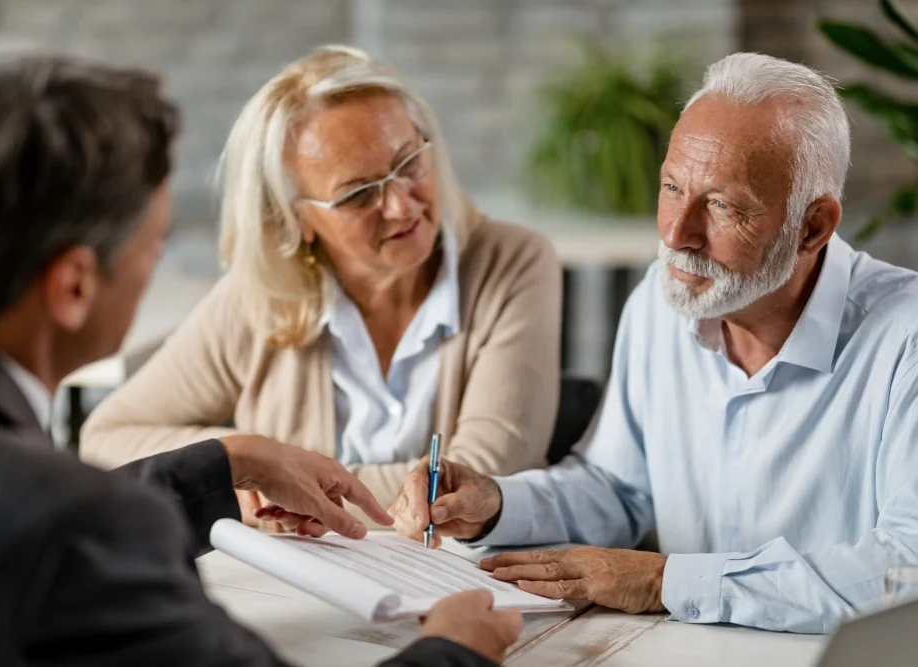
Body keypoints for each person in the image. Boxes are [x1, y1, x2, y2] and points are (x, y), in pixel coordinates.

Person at [0, 48, 523, 666]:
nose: (158, 266)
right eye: (155, 245)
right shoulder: (86, 528)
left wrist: (232, 459)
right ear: (73, 286)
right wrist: (455, 652)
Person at [391, 52, 918, 635]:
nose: (674, 234)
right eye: (672, 186)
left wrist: (664, 581)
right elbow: (617, 489)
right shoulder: (660, 300)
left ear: (813, 226)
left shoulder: (906, 339)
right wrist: (497, 503)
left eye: (721, 205)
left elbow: (906, 573)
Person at [78, 44, 562, 525]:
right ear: (295, 219)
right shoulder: (260, 296)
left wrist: (290, 484)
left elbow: (482, 482)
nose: (401, 205)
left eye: (409, 162)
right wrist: (243, 461)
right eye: (358, 193)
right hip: (297, 588)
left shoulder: (513, 262)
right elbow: (107, 438)